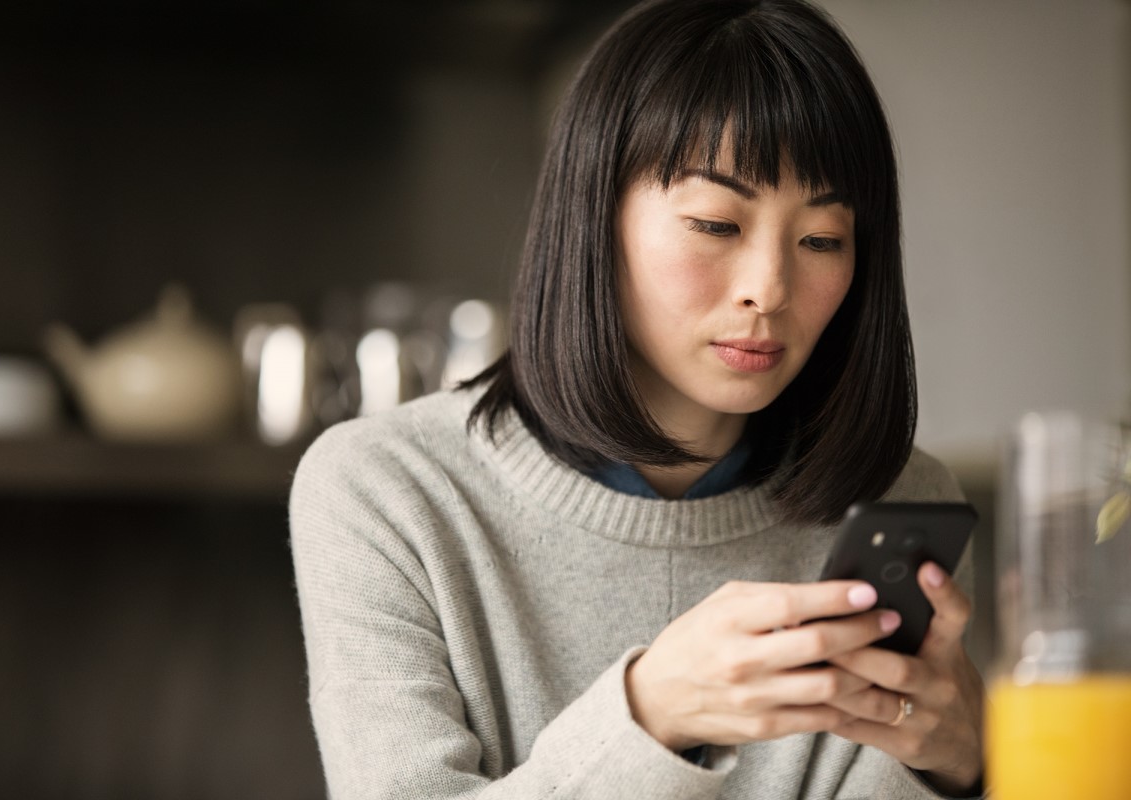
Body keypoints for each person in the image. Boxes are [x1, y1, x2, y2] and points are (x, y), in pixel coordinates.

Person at [289, 0, 987, 797]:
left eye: (822, 239)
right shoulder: (385, 489)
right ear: (593, 218)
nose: (769, 289)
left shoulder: (901, 502)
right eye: (716, 224)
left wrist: (968, 769)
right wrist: (650, 713)